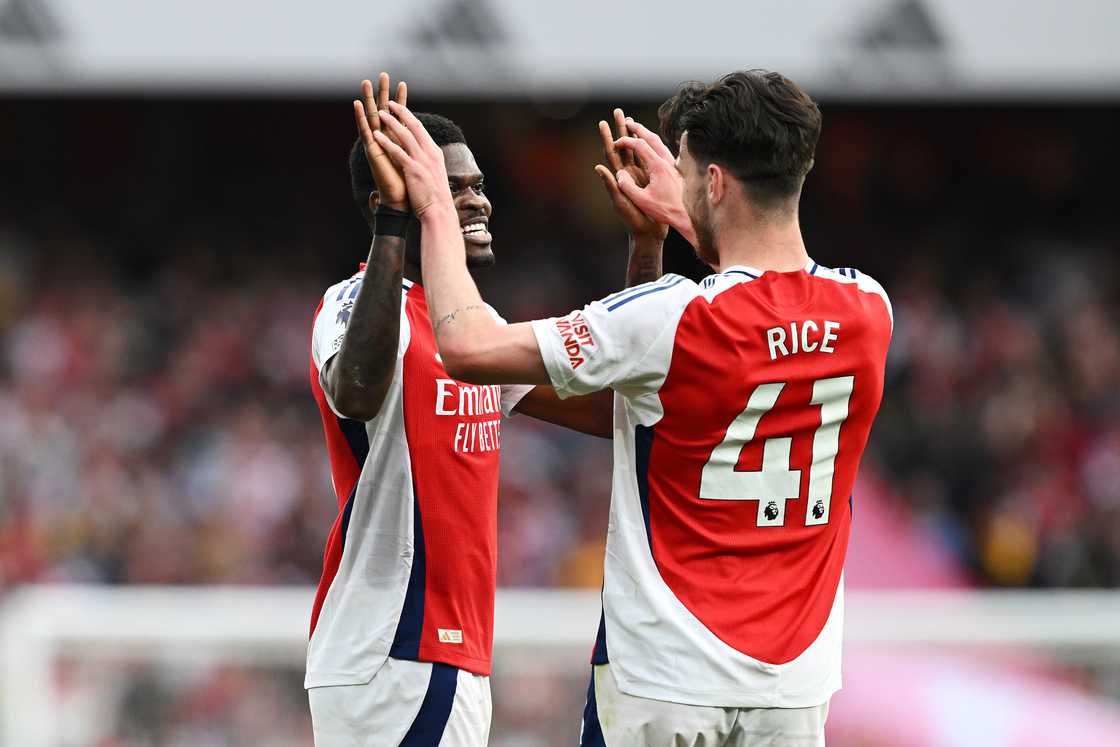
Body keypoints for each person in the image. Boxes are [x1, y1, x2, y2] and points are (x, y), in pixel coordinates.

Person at [374, 69, 892, 746]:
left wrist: (436, 207)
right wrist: (673, 227)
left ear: (712, 183)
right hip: (792, 689)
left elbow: (469, 346)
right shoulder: (869, 310)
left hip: (663, 679)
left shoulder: (672, 316)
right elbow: (759, 303)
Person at [306, 74, 662, 746]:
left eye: (479, 186)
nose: (483, 202)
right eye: (459, 187)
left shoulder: (476, 331)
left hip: (448, 655)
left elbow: (621, 409)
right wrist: (393, 220)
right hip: (390, 648)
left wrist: (644, 251)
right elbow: (354, 388)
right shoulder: (351, 303)